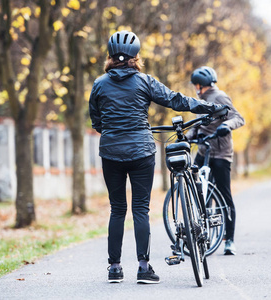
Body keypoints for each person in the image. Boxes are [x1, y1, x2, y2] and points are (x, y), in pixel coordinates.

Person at [89, 31, 227, 284]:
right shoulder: (144, 82)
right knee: (140, 208)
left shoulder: (99, 84)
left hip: (110, 152)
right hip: (141, 152)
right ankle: (143, 268)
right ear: (135, 57)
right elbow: (176, 100)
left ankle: (115, 269)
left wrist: (111, 133)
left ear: (109, 57)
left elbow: (96, 120)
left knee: (117, 209)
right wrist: (209, 107)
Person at [187, 66, 245, 255]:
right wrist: (186, 136)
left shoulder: (219, 97)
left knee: (224, 195)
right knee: (198, 192)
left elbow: (238, 117)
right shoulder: (201, 101)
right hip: (204, 151)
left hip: (220, 153)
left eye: (196, 85)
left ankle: (229, 240)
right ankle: (202, 234)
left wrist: (227, 125)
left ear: (199, 85)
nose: (196, 88)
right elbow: (199, 127)